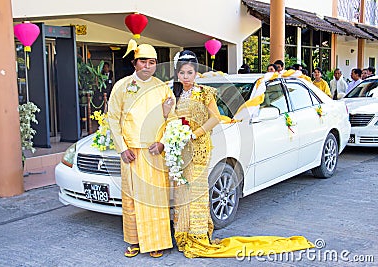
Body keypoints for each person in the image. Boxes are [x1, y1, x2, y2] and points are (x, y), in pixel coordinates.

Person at [164, 50, 313, 259]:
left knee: (197, 192)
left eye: (190, 72)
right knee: (182, 193)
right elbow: (169, 119)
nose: (186, 77)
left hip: (198, 147)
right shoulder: (174, 95)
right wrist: (168, 115)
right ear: (177, 74)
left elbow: (215, 117)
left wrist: (195, 133)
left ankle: (197, 236)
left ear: (196, 73)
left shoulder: (206, 92)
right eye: (182, 73)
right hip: (181, 150)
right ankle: (183, 234)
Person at [107, 40, 175, 258]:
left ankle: (157, 241)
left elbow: (172, 120)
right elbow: (113, 118)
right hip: (132, 154)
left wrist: (163, 142)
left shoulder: (163, 88)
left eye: (152, 62)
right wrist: (122, 148)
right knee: (132, 199)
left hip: (155, 153)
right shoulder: (122, 86)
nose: (148, 66)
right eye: (143, 61)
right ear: (135, 63)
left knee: (156, 198)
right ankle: (134, 241)